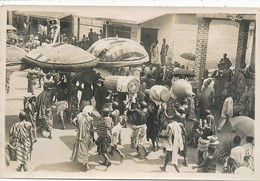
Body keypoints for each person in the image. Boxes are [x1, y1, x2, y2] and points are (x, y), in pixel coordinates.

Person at [71, 106, 94, 172]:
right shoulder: (90, 119)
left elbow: (73, 121)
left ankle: (80, 161)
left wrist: (78, 127)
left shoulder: (80, 115)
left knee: (80, 148)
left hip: (79, 134)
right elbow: (91, 129)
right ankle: (85, 164)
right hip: (86, 135)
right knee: (85, 149)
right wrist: (93, 137)